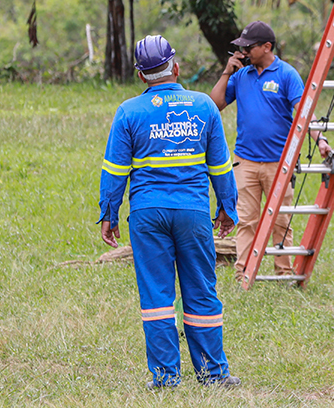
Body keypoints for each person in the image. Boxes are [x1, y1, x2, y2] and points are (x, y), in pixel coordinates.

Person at [98, 35, 240, 388]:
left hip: (147, 215)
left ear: (141, 76)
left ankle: (165, 377)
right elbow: (220, 166)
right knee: (201, 291)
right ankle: (213, 374)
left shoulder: (129, 111)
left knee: (157, 297)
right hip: (192, 212)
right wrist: (227, 208)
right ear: (175, 67)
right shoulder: (204, 106)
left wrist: (108, 213)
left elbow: (114, 170)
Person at [210, 20, 331, 286]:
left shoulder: (287, 75)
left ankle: (283, 274)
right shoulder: (241, 75)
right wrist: (226, 73)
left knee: (281, 219)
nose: (243, 53)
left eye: (248, 47)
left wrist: (320, 139)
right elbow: (215, 104)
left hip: (280, 162)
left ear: (267, 46)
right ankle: (243, 274)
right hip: (245, 160)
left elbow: (303, 113)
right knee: (246, 219)